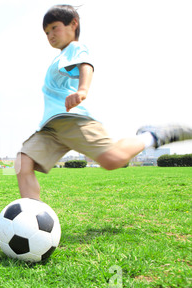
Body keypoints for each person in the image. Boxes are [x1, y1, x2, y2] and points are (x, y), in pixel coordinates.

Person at [16, 5, 192, 200]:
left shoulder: (74, 48)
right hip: (51, 127)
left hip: (73, 120)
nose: (50, 35)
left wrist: (82, 89)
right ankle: (31, 214)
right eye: (46, 32)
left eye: (54, 28)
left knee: (112, 160)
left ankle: (152, 135)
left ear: (73, 24)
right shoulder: (59, 58)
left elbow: (86, 65)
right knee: (23, 163)